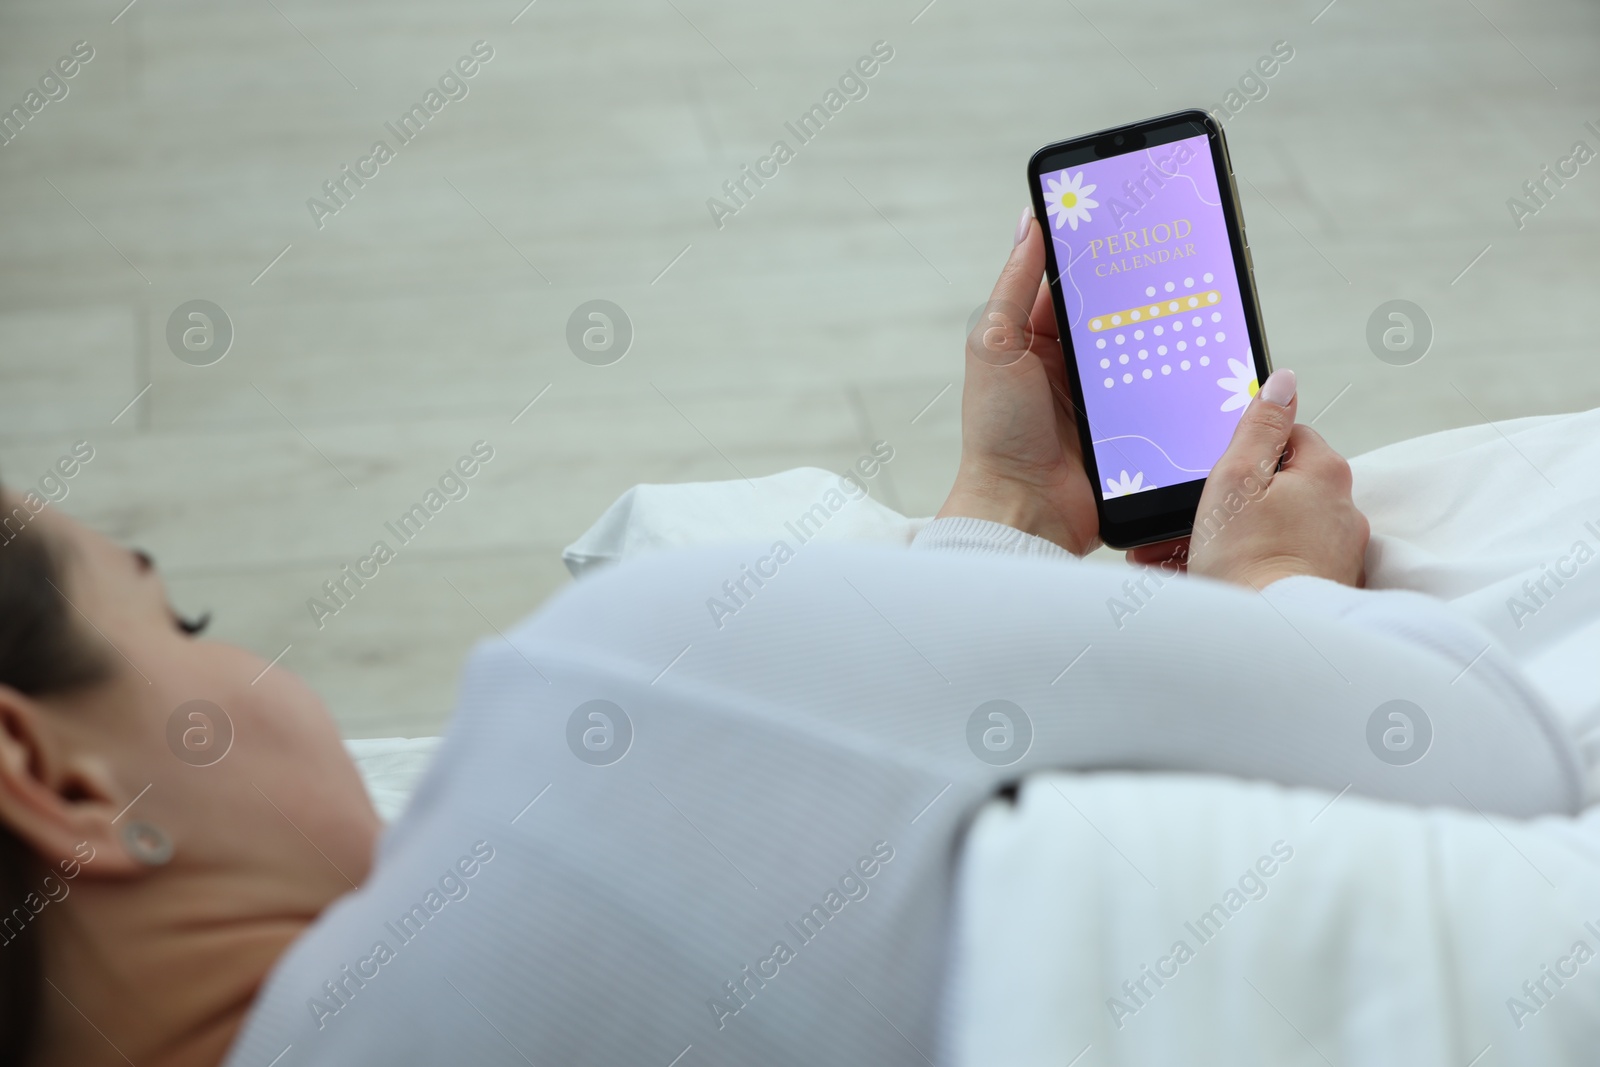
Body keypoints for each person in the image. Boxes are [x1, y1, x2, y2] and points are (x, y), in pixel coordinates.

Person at [0, 212, 1580, 1067]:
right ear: (48, 776)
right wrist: (1274, 585)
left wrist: (1005, 523)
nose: (256, 677)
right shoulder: (598, 718)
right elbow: (1468, 748)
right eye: (176, 615)